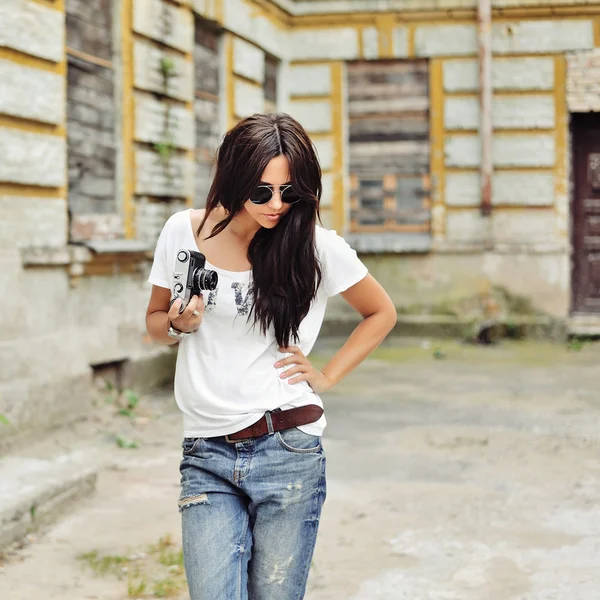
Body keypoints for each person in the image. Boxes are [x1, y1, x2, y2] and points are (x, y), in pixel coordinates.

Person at [145, 112, 397, 600]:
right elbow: (155, 322)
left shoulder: (317, 247)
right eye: (261, 191)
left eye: (290, 192)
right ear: (235, 180)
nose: (277, 205)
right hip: (206, 453)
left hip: (288, 449)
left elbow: (381, 313)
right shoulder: (184, 232)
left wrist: (325, 376)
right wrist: (179, 324)